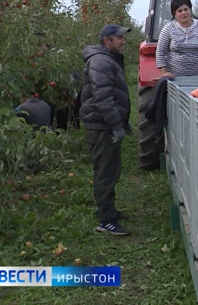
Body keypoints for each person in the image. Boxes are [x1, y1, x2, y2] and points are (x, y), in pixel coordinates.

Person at [80, 23, 133, 236]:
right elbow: (103, 98)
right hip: (101, 126)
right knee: (105, 172)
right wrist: (115, 125)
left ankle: (109, 210)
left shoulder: (106, 59)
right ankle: (106, 221)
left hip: (104, 124)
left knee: (110, 169)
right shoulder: (101, 61)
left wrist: (121, 121)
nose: (123, 41)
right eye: (119, 38)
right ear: (106, 41)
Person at [156, 0, 198, 78]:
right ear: (174, 14)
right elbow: (160, 52)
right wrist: (164, 72)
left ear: (190, 10)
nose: (183, 13)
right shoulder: (168, 28)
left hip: (197, 76)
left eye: (186, 9)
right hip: (174, 77)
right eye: (180, 11)